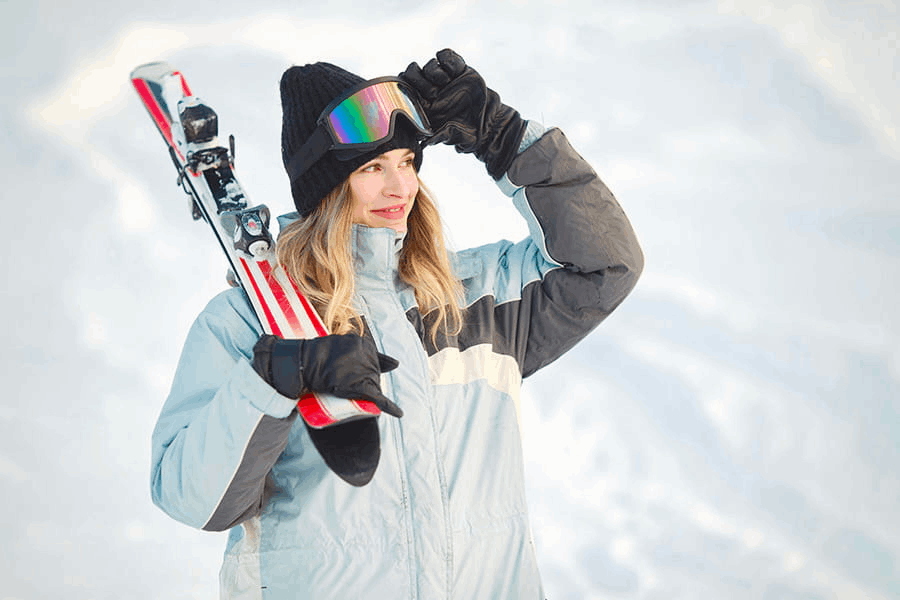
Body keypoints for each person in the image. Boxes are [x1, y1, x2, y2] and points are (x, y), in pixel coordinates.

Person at [150, 48, 643, 599]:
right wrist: (270, 381)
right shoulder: (248, 322)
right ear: (326, 190)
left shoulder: (475, 298)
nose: (400, 187)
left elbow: (605, 263)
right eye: (372, 168)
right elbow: (191, 498)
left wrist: (503, 137)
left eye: (408, 161)